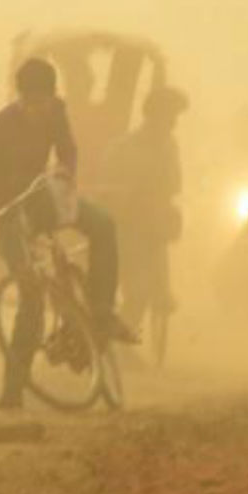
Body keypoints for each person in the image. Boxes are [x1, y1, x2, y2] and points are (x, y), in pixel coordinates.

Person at [0, 58, 133, 411]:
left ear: (52, 97)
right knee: (30, 293)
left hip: (43, 195)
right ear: (20, 98)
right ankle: (13, 388)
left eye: (44, 103)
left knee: (104, 225)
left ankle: (102, 312)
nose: (38, 111)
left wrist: (66, 172)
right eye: (32, 104)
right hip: (9, 208)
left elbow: (68, 149)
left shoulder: (57, 112)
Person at [101, 87, 189, 337]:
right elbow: (110, 186)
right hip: (127, 226)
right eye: (169, 116)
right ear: (153, 115)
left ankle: (125, 334)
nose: (173, 123)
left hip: (156, 225)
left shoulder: (170, 145)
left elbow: (175, 183)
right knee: (137, 290)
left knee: (155, 290)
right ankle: (118, 340)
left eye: (174, 117)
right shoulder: (124, 147)